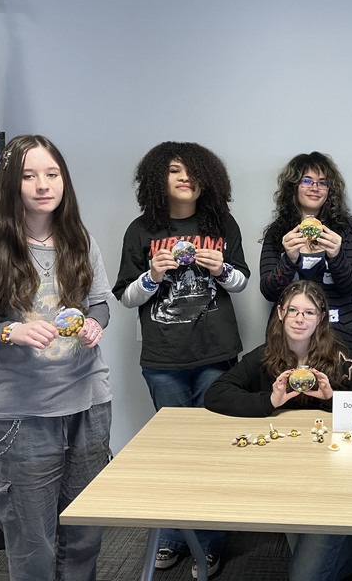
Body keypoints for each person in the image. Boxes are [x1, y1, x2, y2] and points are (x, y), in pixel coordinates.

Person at [0, 135, 112, 580]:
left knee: (84, 531)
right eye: (29, 175)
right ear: (10, 184)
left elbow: (100, 304)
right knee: (30, 538)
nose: (43, 184)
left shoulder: (81, 240)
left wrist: (96, 322)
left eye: (52, 173)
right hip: (22, 415)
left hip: (89, 405)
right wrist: (9, 330)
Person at [112, 141, 250, 578]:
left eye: (192, 171)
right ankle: (173, 537)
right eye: (174, 170)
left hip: (216, 354)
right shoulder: (140, 230)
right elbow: (125, 296)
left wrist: (220, 270)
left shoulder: (221, 223)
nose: (185, 178)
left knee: (210, 452)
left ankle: (208, 543)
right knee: (172, 454)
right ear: (159, 179)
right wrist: (151, 276)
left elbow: (242, 282)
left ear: (206, 179)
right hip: (164, 358)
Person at [204, 280, 352, 580]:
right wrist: (270, 400)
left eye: (309, 312)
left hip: (334, 476)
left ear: (321, 317)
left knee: (305, 573)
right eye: (293, 310)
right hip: (286, 473)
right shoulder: (264, 356)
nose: (299, 318)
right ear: (280, 313)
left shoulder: (341, 359)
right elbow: (216, 394)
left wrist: (332, 399)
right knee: (306, 556)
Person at [260, 151, 352, 355]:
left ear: (330, 190)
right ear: (293, 186)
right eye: (306, 180)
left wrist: (336, 257)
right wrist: (289, 260)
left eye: (322, 182)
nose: (315, 187)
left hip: (339, 331)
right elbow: (269, 291)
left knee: (340, 386)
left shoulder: (347, 229)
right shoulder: (279, 232)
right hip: (289, 335)